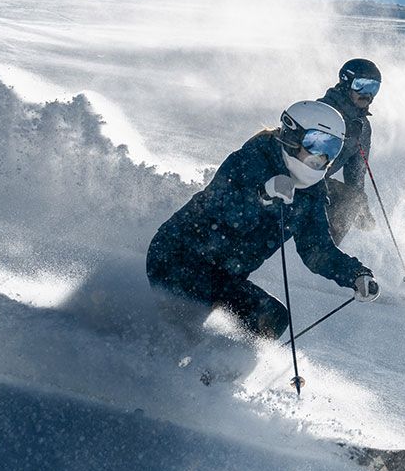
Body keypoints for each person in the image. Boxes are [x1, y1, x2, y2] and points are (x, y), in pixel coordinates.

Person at [146, 100, 380, 340]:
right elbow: (221, 212)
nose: (322, 156)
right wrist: (262, 196)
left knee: (273, 318)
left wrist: (355, 274)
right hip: (177, 258)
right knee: (192, 325)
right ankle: (158, 363)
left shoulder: (311, 192)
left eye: (332, 148)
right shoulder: (251, 160)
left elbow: (316, 249)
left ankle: (218, 373)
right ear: (293, 135)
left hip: (223, 276)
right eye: (316, 143)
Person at [317, 58, 381, 244]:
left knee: (351, 199)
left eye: (374, 88)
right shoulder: (321, 112)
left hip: (319, 185)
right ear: (346, 83)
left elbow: (356, 175)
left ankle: (323, 252)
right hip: (295, 180)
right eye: (361, 85)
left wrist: (361, 207)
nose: (368, 94)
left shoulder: (362, 127)